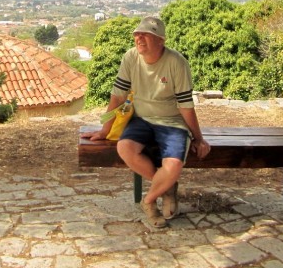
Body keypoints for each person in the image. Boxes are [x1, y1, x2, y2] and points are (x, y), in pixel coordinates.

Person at [82, 16, 211, 228]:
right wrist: (105, 129)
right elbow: (118, 96)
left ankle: (149, 201)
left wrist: (199, 139)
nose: (139, 38)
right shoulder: (130, 58)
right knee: (125, 148)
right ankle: (167, 188)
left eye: (146, 35)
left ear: (161, 40)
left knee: (174, 164)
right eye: (137, 34)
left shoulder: (177, 63)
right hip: (141, 119)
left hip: (171, 121)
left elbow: (186, 106)